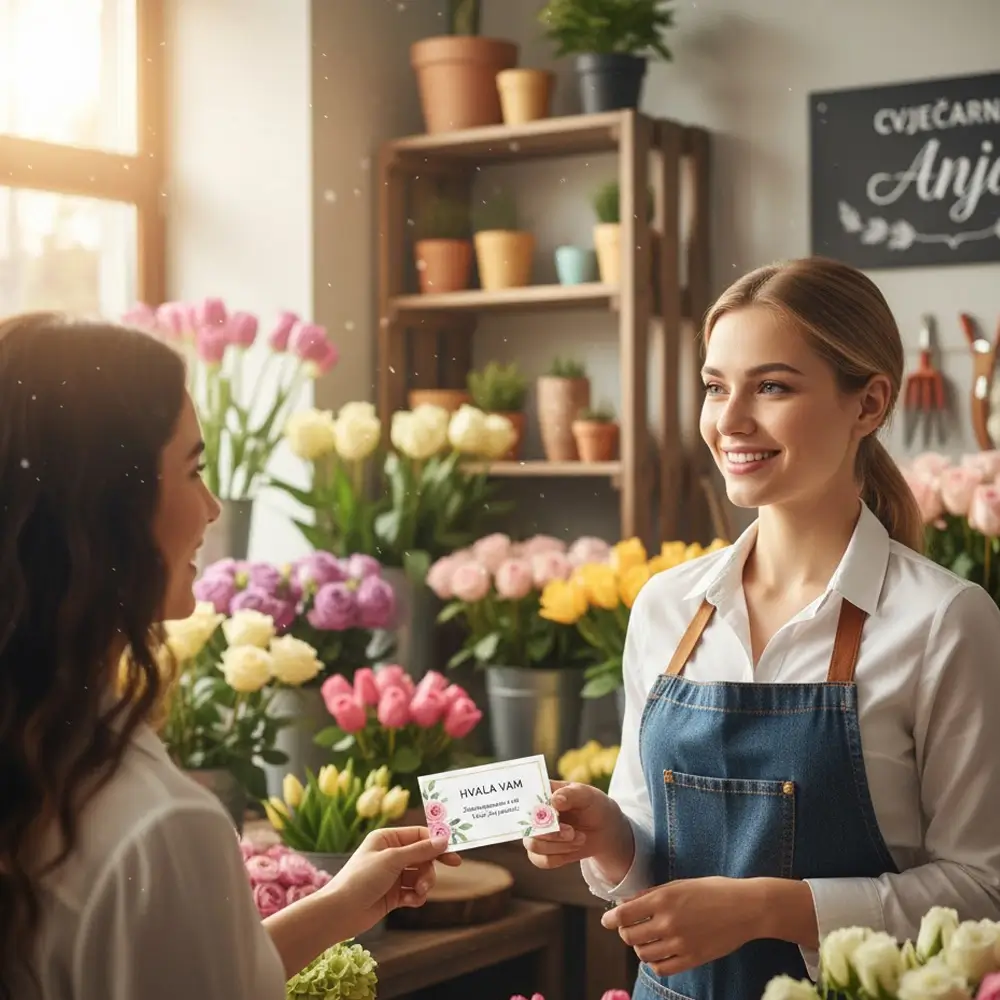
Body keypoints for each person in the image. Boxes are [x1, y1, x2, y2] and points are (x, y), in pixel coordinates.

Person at [524, 257, 1000, 999]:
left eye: (771, 386)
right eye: (716, 387)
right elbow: (654, 854)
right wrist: (609, 837)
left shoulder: (944, 622)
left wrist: (769, 910)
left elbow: (985, 892)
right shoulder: (665, 607)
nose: (730, 420)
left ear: (869, 403)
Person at [0, 312, 459, 1000]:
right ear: (108, 511)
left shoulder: (37, 755)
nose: (214, 508)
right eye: (193, 471)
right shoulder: (159, 829)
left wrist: (338, 908)